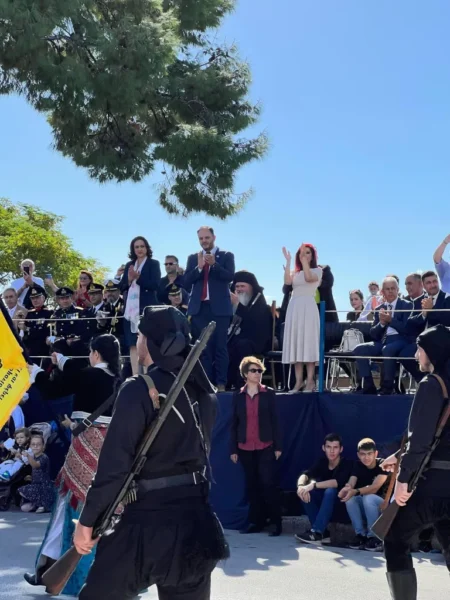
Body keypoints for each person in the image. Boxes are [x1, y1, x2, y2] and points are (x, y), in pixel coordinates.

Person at [71, 305, 229, 600]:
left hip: (146, 522)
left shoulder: (139, 388)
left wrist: (87, 520)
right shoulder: (204, 393)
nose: (137, 341)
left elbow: (115, 466)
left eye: (140, 335)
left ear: (152, 341)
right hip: (195, 521)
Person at [23, 334, 121, 596]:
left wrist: (36, 373)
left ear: (96, 354)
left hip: (83, 447)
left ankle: (51, 570)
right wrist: (62, 360)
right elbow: (77, 373)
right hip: (110, 452)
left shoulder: (89, 376)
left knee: (66, 505)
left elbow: (54, 389)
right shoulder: (119, 380)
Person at [383, 325, 450, 599]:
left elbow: (420, 438)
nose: (415, 355)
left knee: (394, 539)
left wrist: (403, 479)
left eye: (420, 349)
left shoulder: (432, 384)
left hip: (430, 486)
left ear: (432, 351)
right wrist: (399, 455)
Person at [230, 357, 282, 536]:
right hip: (245, 446)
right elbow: (234, 423)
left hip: (265, 444)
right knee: (252, 485)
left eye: (260, 371)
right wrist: (233, 449)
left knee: (268, 484)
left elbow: (275, 421)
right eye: (253, 371)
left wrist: (278, 446)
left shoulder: (268, 393)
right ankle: (256, 522)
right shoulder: (238, 395)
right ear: (245, 374)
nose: (257, 374)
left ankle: (276, 522)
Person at [184, 226, 235, 392]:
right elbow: (186, 281)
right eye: (201, 238)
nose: (204, 241)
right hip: (199, 309)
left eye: (207, 237)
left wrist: (214, 265)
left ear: (214, 237)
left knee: (220, 347)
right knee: (202, 349)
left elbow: (229, 277)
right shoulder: (193, 258)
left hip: (220, 309)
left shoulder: (226, 255)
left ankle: (221, 383)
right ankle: (206, 385)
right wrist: (199, 268)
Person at [353, 277, 413, 395]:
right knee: (359, 349)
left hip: (400, 340)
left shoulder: (406, 305)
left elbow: (407, 329)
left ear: (397, 290)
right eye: (387, 289)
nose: (390, 291)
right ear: (383, 291)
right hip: (382, 341)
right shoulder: (379, 309)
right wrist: (381, 324)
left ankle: (388, 386)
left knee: (388, 349)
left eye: (393, 288)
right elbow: (373, 334)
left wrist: (391, 320)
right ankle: (369, 386)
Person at [295, 433, 353, 544]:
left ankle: (317, 532)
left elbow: (336, 482)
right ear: (323, 448)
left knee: (330, 491)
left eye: (335, 447)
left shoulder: (346, 464)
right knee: (305, 492)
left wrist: (313, 485)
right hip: (324, 508)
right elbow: (306, 474)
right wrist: (301, 486)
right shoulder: (322, 462)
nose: (332, 451)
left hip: (341, 508)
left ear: (341, 449)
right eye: (328, 447)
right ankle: (322, 533)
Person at [282, 243, 322, 393]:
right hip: (295, 307)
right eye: (301, 253)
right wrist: (288, 261)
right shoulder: (296, 272)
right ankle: (298, 382)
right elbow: (287, 282)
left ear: (313, 255)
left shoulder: (318, 271)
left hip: (308, 307)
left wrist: (305, 262)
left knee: (308, 343)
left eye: (307, 253)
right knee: (296, 343)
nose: (304, 255)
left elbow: (309, 277)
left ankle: (310, 381)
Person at [119, 236, 161, 375]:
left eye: (142, 246)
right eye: (136, 247)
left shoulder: (153, 264)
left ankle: (149, 375)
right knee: (132, 343)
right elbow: (122, 287)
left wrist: (138, 278)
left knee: (147, 342)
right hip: (131, 310)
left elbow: (155, 285)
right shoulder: (129, 265)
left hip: (146, 309)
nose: (139, 249)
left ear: (147, 248)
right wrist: (129, 279)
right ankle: (136, 375)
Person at [338, 438, 389, 551]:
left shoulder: (383, 464)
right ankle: (360, 535)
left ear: (375, 453)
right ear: (358, 455)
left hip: (383, 507)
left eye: (369, 454)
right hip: (367, 506)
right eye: (363, 454)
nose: (366, 457)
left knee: (368, 497)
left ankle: (374, 537)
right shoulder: (358, 465)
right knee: (350, 499)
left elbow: (375, 488)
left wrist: (356, 491)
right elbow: (352, 482)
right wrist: (347, 489)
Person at [399, 271, 450, 383]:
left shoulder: (447, 298)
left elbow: (446, 320)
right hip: (421, 341)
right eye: (429, 283)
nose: (433, 285)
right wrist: (424, 314)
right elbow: (409, 324)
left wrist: (431, 311)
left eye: (435, 281)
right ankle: (423, 381)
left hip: (442, 341)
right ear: (423, 285)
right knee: (404, 354)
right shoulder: (419, 301)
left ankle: (438, 383)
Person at [228, 271, 272, 388]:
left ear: (252, 287)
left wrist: (239, 305)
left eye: (242, 286)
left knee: (242, 345)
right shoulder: (231, 303)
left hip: (256, 341)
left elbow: (255, 325)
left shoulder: (260, 304)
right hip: (236, 340)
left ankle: (241, 384)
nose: (239, 289)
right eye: (237, 286)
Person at [18, 433, 54, 514]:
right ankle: (36, 504)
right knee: (24, 508)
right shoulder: (34, 457)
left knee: (22, 490)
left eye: (38, 444)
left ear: (43, 446)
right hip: (36, 485)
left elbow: (36, 465)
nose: (35, 446)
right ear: (30, 446)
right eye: (33, 444)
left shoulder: (44, 457)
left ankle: (43, 504)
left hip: (44, 487)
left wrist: (28, 456)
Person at [20, 286, 54, 363]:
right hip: (30, 349)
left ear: (43, 298)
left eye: (37, 297)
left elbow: (46, 332)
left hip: (43, 349)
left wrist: (27, 329)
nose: (35, 300)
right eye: (32, 298)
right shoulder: (29, 314)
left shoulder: (49, 313)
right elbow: (24, 333)